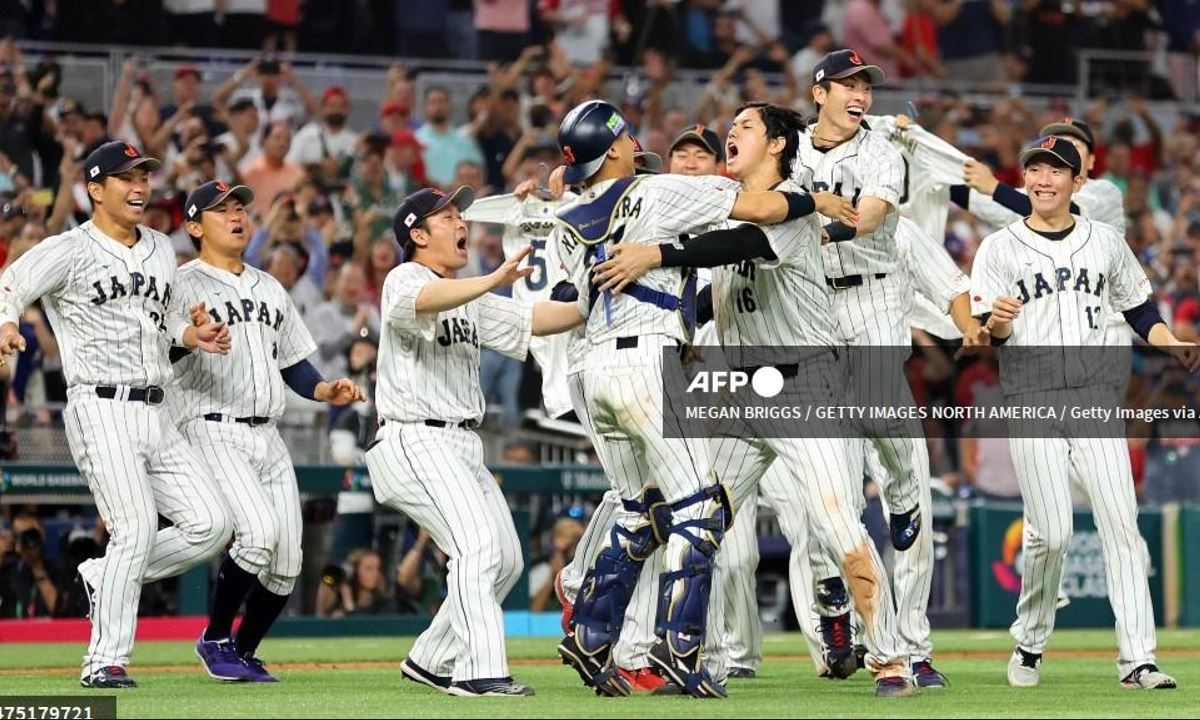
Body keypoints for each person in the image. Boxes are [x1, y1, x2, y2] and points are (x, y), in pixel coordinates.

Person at [592, 101, 914, 698]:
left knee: (836, 523)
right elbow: (718, 291)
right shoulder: (725, 206)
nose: (730, 134)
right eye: (732, 127)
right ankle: (680, 657)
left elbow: (734, 247)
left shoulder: (794, 202)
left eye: (745, 127)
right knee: (697, 520)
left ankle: (892, 657)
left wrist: (656, 254)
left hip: (805, 386)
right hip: (738, 389)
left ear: (778, 146)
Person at [548, 99, 845, 698]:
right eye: (626, 136)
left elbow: (563, 306)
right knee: (700, 510)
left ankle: (590, 632)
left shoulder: (567, 217)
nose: (636, 143)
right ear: (611, 150)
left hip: (591, 368)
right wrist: (818, 201)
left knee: (640, 509)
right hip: (646, 364)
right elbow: (761, 207)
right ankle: (679, 648)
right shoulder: (656, 192)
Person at [0, 141, 234, 689]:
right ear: (96, 189)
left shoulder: (158, 247)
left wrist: (190, 334)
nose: (140, 186)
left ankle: (104, 575)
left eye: (145, 175)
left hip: (158, 408)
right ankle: (104, 659)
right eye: (126, 177)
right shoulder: (70, 248)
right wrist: (7, 323)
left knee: (211, 523)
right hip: (99, 406)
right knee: (132, 526)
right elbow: (9, 281)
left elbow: (167, 320)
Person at [970, 136, 1195, 691]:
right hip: (1032, 399)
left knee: (1122, 524)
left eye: (1056, 170)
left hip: (1095, 398)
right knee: (1052, 533)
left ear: (1077, 182)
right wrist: (998, 322)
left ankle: (1137, 659)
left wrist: (1169, 341)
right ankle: (1030, 637)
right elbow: (983, 332)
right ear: (1024, 180)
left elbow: (1139, 308)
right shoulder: (999, 248)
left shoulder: (1106, 242)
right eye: (1035, 169)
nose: (1044, 179)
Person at [368, 185, 583, 697]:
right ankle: (478, 672)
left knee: (507, 559)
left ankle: (431, 658)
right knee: (478, 548)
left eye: (459, 214)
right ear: (417, 235)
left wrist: (598, 296)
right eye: (445, 217)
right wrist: (494, 279)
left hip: (461, 445)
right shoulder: (406, 277)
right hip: (414, 437)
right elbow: (425, 300)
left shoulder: (471, 296)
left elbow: (535, 322)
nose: (460, 222)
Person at [171, 180, 364, 682]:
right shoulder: (181, 284)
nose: (236, 216)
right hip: (211, 423)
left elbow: (294, 363)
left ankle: (243, 650)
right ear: (194, 226)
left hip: (268, 433)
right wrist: (191, 337)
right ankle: (214, 639)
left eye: (240, 208)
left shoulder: (268, 286)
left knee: (286, 562)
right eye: (221, 210)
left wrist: (325, 390)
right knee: (256, 536)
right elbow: (161, 351)